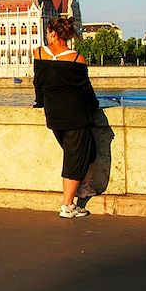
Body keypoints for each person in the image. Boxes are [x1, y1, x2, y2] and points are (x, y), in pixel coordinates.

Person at [33, 16, 99, 218]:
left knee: (88, 152)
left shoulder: (39, 53)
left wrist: (40, 102)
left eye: (47, 32)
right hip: (76, 115)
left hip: (54, 115)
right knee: (74, 159)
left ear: (53, 34)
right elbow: (85, 89)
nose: (46, 35)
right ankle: (68, 205)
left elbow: (39, 83)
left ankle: (83, 187)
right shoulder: (76, 58)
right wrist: (94, 105)